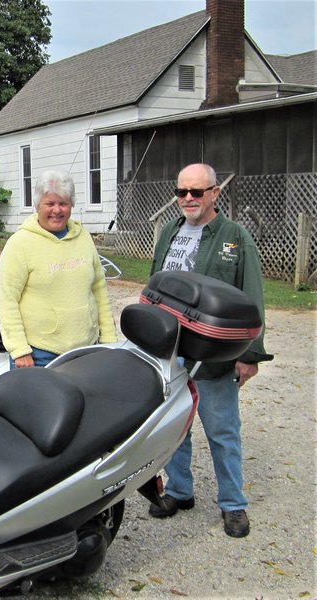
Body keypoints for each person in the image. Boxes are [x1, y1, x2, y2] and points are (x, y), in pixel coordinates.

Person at [148, 163, 273, 538]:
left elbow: (252, 296)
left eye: (196, 192)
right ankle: (180, 491)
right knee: (176, 428)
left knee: (222, 431)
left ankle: (233, 504)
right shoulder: (168, 231)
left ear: (214, 193)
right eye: (181, 192)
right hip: (170, 350)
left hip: (214, 354)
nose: (188, 199)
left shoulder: (234, 236)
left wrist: (250, 354)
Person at [0, 170, 116, 368]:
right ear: (37, 205)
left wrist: (110, 339)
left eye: (63, 203)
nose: (57, 210)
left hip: (87, 349)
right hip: (38, 355)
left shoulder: (83, 237)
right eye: (49, 203)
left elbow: (99, 289)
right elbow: (6, 300)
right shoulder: (20, 244)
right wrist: (19, 350)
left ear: (72, 205)